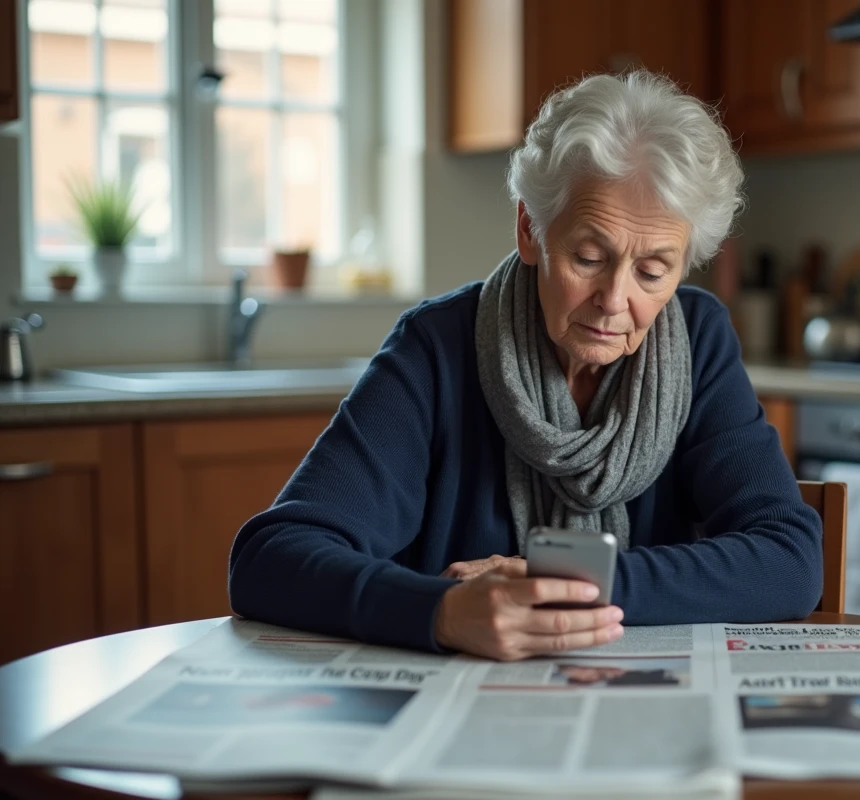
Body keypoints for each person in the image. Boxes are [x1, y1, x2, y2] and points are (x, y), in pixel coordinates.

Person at [228, 71, 823, 662]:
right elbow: (271, 558)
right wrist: (441, 612)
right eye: (589, 257)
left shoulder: (700, 338)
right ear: (530, 231)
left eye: (652, 270)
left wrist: (568, 579)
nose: (615, 300)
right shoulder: (436, 349)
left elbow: (790, 560)